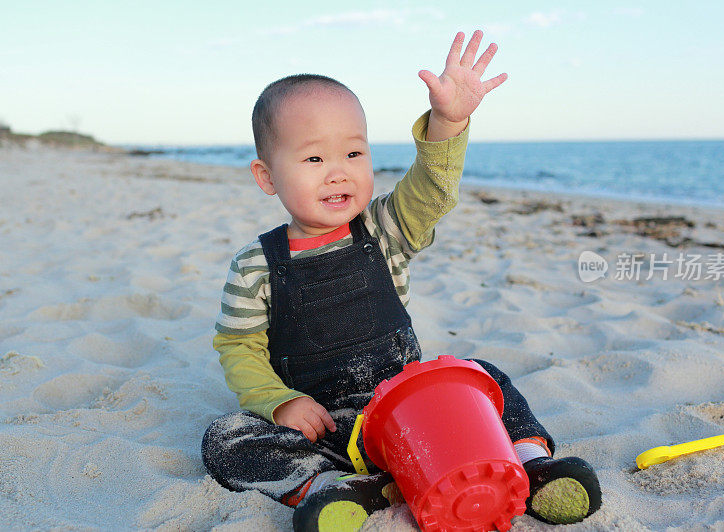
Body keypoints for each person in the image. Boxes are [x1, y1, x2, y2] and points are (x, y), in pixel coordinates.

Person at [202, 30, 601, 531]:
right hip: (326, 427)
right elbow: (239, 347)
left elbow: (431, 191)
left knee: (485, 376)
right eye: (313, 159)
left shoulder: (386, 230)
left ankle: (528, 463)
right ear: (266, 177)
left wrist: (448, 121)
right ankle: (331, 489)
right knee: (226, 438)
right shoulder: (256, 266)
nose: (338, 173)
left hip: (414, 414)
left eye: (353, 154)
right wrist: (280, 402)